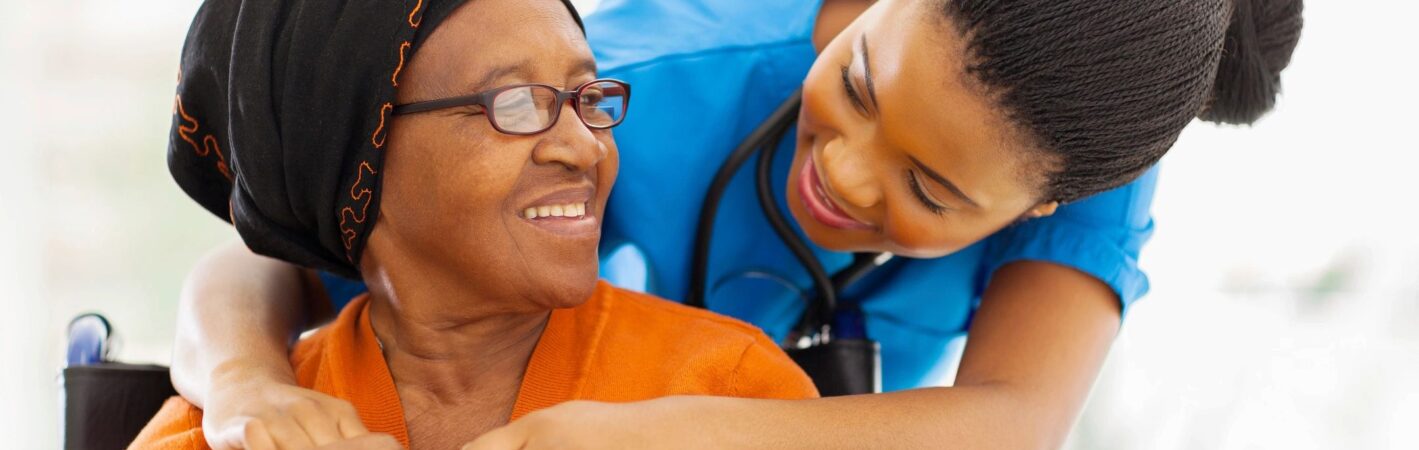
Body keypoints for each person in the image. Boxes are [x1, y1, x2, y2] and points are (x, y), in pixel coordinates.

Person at [172, 0, 1305, 448]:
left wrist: (625, 436)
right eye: (856, 83)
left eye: (933, 192)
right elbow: (264, 246)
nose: (848, 179)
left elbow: (1011, 422)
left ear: (1041, 205)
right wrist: (246, 389)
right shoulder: (625, 90)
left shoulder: (1081, 159)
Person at [136, 0, 817, 448]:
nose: (584, 146)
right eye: (515, 103)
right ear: (354, 157)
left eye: (588, 97)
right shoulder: (213, 435)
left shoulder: (730, 389)